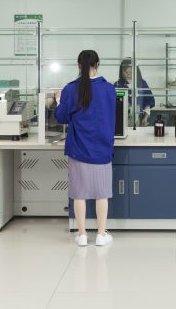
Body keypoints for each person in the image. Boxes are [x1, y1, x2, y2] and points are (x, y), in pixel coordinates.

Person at [54, 50, 116, 247]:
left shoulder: (70, 89)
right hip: (102, 149)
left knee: (79, 194)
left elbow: (61, 117)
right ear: (97, 64)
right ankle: (101, 235)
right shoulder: (109, 89)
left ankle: (81, 235)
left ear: (79, 66)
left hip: (79, 149)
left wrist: (59, 102)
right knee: (101, 194)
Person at [113, 58, 156, 126]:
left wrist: (145, 118)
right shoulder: (117, 84)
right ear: (121, 72)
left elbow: (147, 104)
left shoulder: (142, 84)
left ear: (136, 71)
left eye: (131, 72)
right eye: (126, 72)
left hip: (139, 120)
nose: (128, 74)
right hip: (121, 121)